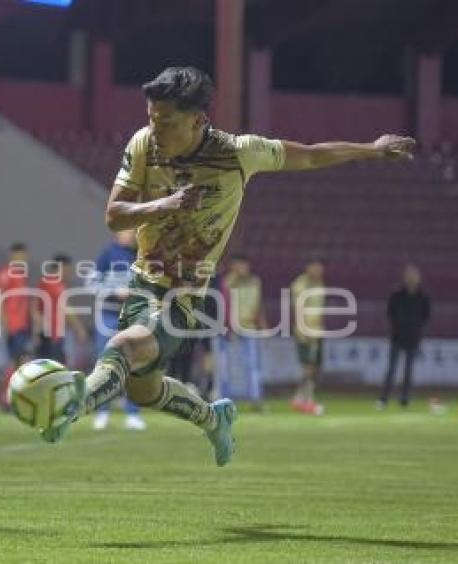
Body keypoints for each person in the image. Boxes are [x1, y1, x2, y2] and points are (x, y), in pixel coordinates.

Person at [39, 66, 415, 467]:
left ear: (198, 119)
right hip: (143, 284)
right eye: (151, 117)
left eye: (166, 120)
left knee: (123, 346)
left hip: (186, 295)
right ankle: (212, 417)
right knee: (143, 390)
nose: (156, 127)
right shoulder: (144, 144)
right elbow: (115, 216)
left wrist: (371, 149)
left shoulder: (238, 154)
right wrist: (163, 205)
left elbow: (309, 156)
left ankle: (70, 409)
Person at [88, 231, 146, 431]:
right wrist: (114, 292)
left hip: (133, 316)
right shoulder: (106, 256)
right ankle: (102, 411)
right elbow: (91, 285)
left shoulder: (141, 256)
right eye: (128, 230)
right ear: (117, 234)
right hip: (109, 315)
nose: (132, 234)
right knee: (106, 363)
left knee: (133, 364)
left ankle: (133, 413)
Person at [377, 264, 431, 409]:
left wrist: (416, 328)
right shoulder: (397, 294)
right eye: (409, 275)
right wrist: (395, 327)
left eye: (414, 276)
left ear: (419, 278)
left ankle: (405, 398)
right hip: (397, 336)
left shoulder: (423, 296)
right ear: (404, 278)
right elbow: (390, 312)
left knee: (409, 370)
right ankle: (383, 398)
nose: (411, 278)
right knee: (392, 369)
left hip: (413, 337)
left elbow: (426, 316)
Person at [217, 255, 266, 411]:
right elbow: (224, 306)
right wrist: (227, 327)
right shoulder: (227, 282)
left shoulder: (255, 282)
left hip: (249, 327)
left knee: (252, 365)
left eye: (244, 265)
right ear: (233, 266)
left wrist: (262, 324)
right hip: (231, 328)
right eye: (238, 265)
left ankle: (255, 400)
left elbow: (258, 304)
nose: (242, 268)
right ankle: (226, 400)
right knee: (227, 366)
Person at [0, 242, 36, 407]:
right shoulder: (6, 274)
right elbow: (0, 299)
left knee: (19, 361)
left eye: (25, 256)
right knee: (17, 361)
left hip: (23, 325)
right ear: (13, 256)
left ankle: (13, 398)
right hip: (13, 325)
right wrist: (4, 323)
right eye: (21, 255)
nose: (24, 259)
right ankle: (8, 398)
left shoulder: (21, 276)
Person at [35, 253, 88, 364]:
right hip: (54, 335)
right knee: (56, 366)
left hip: (46, 333)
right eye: (68, 269)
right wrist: (79, 329)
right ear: (61, 267)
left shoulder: (43, 282)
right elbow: (66, 308)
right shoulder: (56, 284)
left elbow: (35, 308)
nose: (70, 272)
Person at [290, 259, 326, 415]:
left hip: (318, 331)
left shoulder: (320, 284)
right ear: (308, 267)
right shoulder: (300, 285)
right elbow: (298, 309)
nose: (318, 270)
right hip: (305, 332)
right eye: (316, 266)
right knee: (308, 367)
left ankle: (299, 398)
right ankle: (308, 400)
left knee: (315, 367)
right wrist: (304, 329)